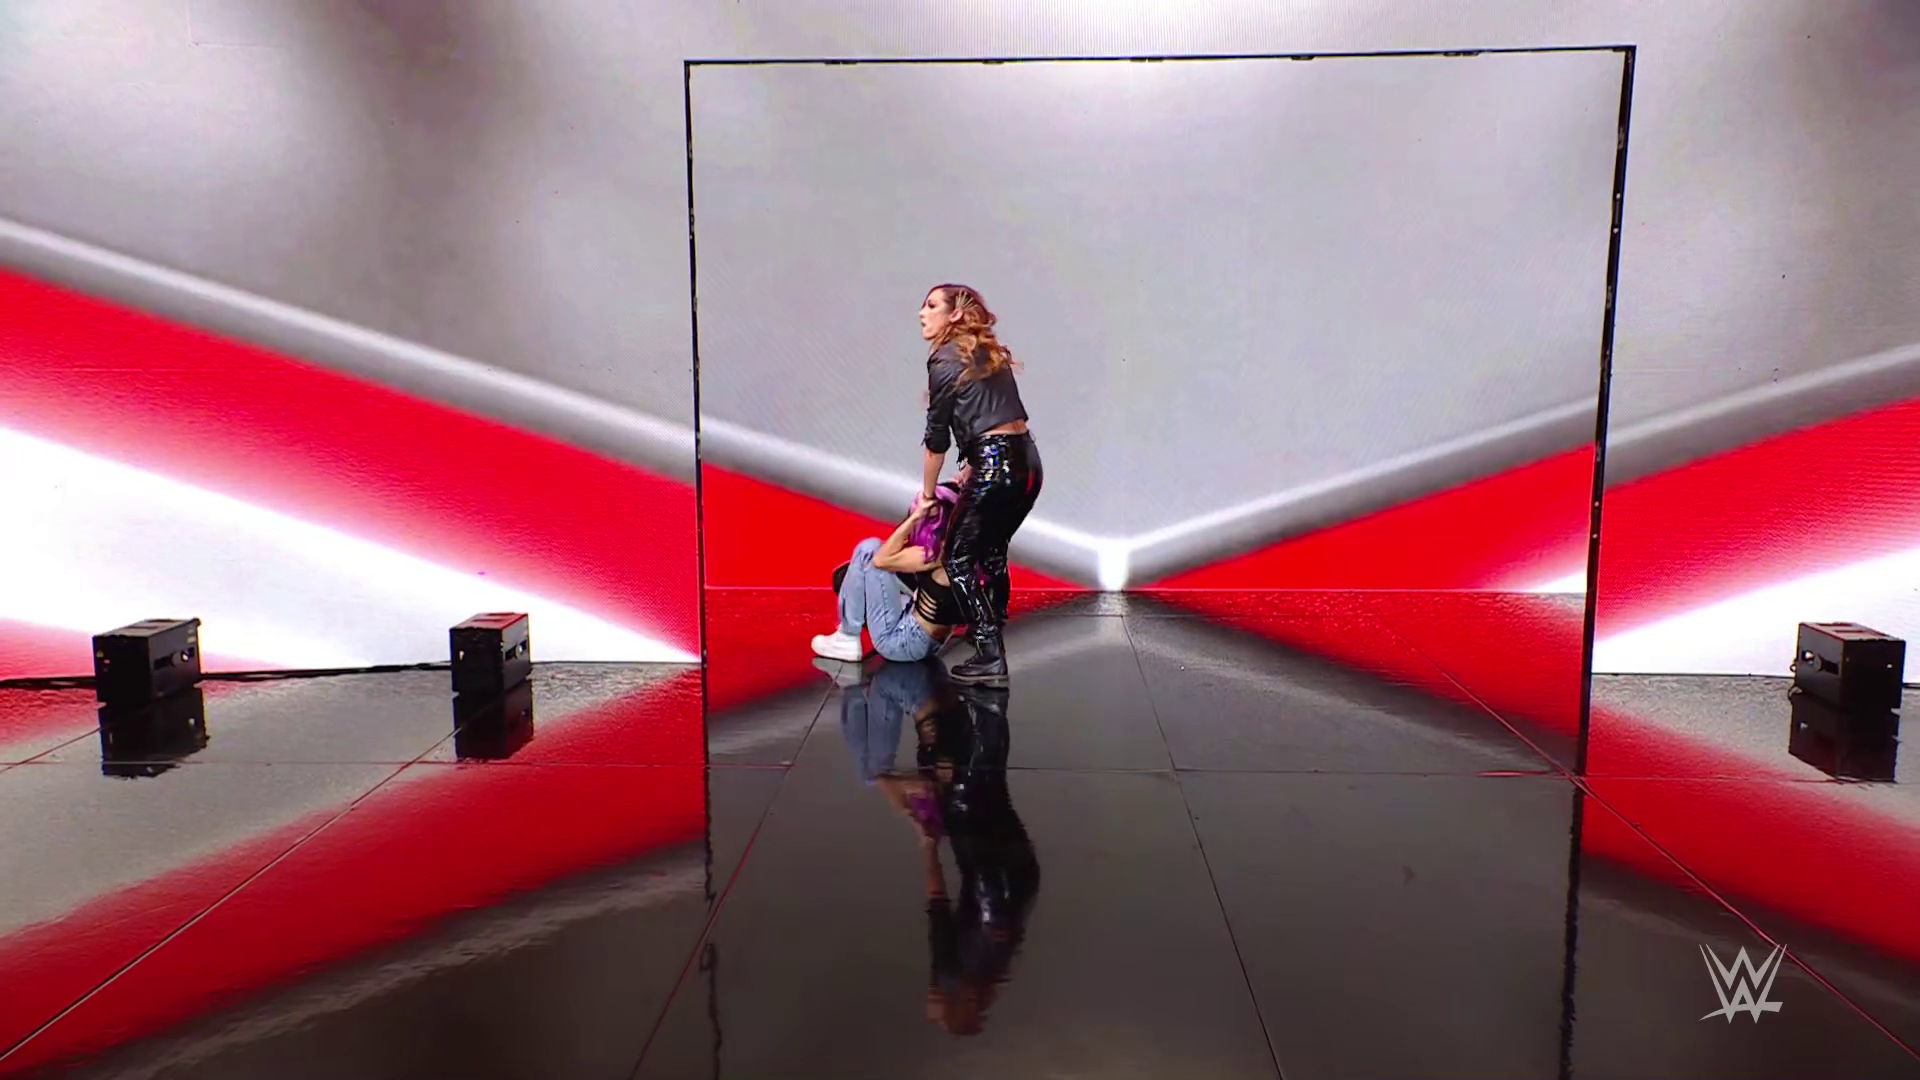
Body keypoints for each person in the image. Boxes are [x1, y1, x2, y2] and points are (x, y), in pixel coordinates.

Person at [916, 284, 1044, 686]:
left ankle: (989, 653)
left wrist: (927, 495)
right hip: (1027, 462)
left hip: (995, 463)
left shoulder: (943, 358)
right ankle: (990, 626)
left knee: (956, 558)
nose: (921, 313)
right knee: (991, 549)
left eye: (931, 305)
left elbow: (937, 438)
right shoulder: (986, 352)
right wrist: (975, 464)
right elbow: (1000, 416)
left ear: (954, 313)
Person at [811, 496, 965, 664]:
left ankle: (847, 636)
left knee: (868, 549)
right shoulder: (962, 550)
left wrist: (915, 517)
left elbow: (880, 560)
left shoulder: (938, 554)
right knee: (849, 575)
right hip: (928, 639)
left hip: (902, 643)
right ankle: (847, 632)